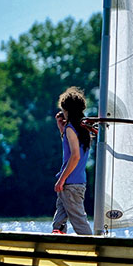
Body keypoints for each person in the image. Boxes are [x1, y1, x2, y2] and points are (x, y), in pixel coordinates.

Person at [52, 86, 94, 235]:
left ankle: (95, 248)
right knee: (59, 222)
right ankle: (57, 244)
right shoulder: (83, 128)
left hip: (70, 183)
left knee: (79, 221)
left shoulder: (71, 128)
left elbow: (75, 156)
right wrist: (61, 128)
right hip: (76, 183)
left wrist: (61, 180)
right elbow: (72, 149)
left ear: (67, 110)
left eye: (63, 110)